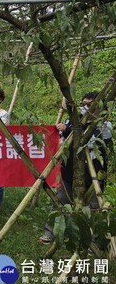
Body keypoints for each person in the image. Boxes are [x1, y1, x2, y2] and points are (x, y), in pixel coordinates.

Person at [39, 91, 113, 244]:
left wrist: (67, 131)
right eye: (83, 104)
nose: (85, 108)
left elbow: (90, 142)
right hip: (69, 171)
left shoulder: (105, 125)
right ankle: (50, 233)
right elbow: (61, 143)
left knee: (94, 207)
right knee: (59, 202)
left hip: (94, 174)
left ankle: (93, 240)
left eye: (90, 105)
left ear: (100, 107)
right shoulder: (71, 120)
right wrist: (61, 132)